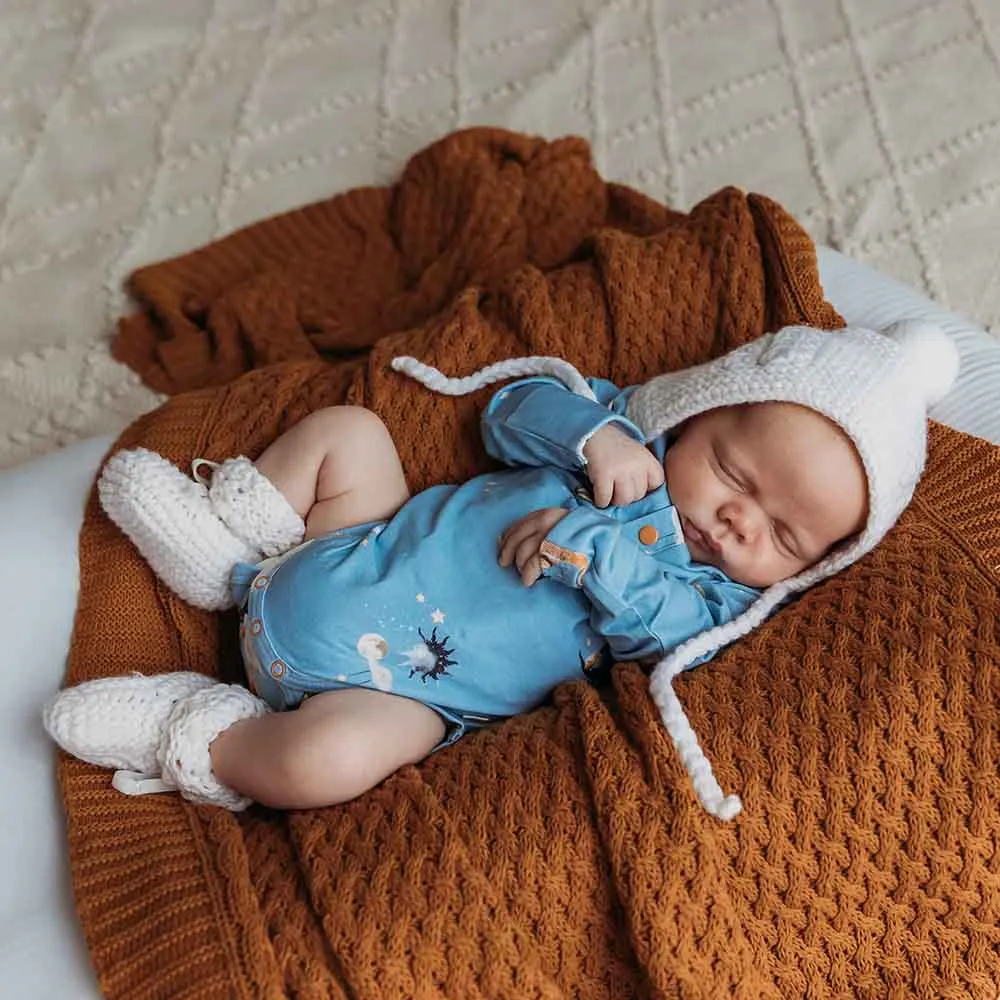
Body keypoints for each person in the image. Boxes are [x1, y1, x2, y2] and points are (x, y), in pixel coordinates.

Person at [44, 320, 958, 820]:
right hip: (346, 544)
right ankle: (230, 554)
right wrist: (594, 434)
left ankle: (202, 731)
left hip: (396, 695)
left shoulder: (702, 602)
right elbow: (508, 413)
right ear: (695, 414)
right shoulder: (614, 443)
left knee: (328, 761)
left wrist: (603, 560)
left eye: (785, 537)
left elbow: (662, 641)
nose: (736, 523)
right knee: (350, 434)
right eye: (732, 473)